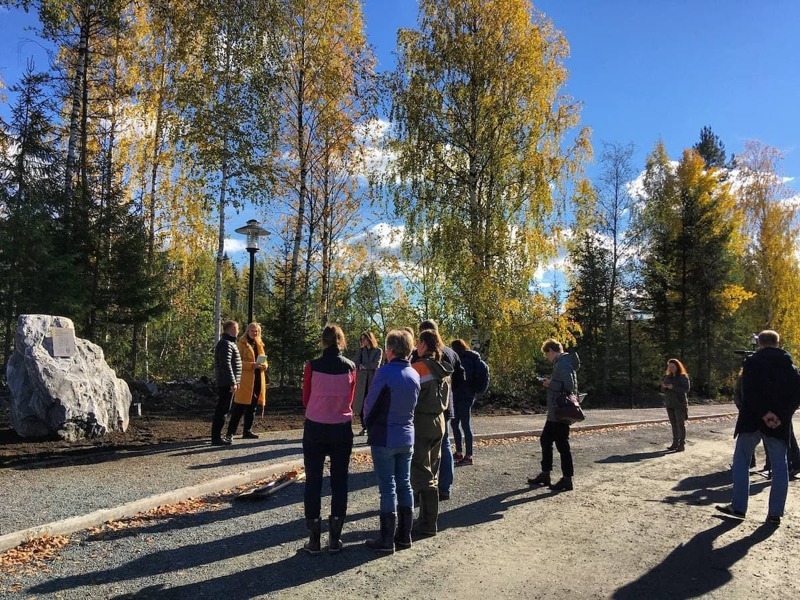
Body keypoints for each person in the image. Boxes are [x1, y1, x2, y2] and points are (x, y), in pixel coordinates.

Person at [717, 330, 800, 525]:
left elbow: (750, 393)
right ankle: (774, 514)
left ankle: (738, 507)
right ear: (778, 343)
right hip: (778, 424)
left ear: (760, 343)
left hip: (752, 420)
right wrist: (781, 415)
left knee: (742, 461)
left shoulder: (752, 363)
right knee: (780, 466)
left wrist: (764, 413)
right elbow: (797, 396)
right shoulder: (791, 368)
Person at [301, 324, 357, 554]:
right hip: (341, 428)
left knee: (313, 481)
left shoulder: (312, 366)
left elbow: (305, 398)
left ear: (323, 342)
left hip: (315, 426)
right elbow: (351, 398)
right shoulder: (351, 367)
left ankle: (314, 539)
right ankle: (335, 538)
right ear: (341, 342)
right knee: (339, 481)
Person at [363, 329, 420, 553]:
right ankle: (404, 535)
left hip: (385, 436)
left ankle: (386, 540)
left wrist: (367, 423)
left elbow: (370, 404)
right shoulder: (414, 374)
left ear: (391, 349)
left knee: (388, 489)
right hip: (407, 436)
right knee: (404, 484)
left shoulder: (385, 373)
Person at [413, 319, 465, 500]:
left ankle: (422, 489)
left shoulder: (417, 358)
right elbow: (460, 378)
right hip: (445, 406)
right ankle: (444, 487)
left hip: (424, 409)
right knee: (443, 446)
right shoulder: (451, 353)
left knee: (422, 452)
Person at [410, 328, 454, 536]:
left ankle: (427, 524)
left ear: (425, 345)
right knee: (433, 469)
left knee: (420, 468)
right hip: (440, 421)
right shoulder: (442, 369)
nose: (416, 346)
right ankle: (428, 520)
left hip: (422, 421)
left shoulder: (418, 367)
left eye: (418, 342)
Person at [528, 338, 580, 492]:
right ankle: (546, 474)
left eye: (546, 354)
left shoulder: (563, 363)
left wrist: (550, 384)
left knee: (562, 445)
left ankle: (567, 479)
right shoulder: (562, 362)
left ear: (551, 350)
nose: (547, 357)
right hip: (556, 412)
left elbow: (569, 386)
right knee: (546, 440)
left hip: (561, 411)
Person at [225, 322, 267, 441]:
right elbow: (237, 362)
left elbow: (264, 360)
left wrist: (264, 366)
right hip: (245, 380)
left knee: (252, 407)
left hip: (258, 379)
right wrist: (252, 365)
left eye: (257, 331)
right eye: (253, 331)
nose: (255, 333)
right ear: (248, 331)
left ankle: (247, 430)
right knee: (239, 407)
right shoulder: (241, 344)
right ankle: (230, 432)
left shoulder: (260, 344)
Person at [211, 320, 242, 446]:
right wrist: (232, 382)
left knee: (224, 409)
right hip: (226, 383)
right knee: (222, 409)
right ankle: (216, 437)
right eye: (236, 329)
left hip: (227, 382)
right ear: (231, 330)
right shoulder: (225, 344)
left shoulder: (229, 343)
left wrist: (235, 381)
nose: (238, 331)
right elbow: (226, 365)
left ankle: (217, 436)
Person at [450, 339, 480, 465]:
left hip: (462, 396)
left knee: (463, 425)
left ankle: (467, 455)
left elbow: (462, 380)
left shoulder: (465, 360)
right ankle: (460, 452)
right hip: (466, 396)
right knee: (458, 424)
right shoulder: (469, 358)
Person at [353, 331, 383, 436]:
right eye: (361, 340)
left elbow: (376, 364)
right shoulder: (361, 351)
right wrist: (359, 351)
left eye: (364, 339)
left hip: (372, 381)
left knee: (371, 403)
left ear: (369, 339)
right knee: (361, 405)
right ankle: (364, 426)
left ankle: (371, 426)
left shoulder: (378, 350)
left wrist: (365, 366)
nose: (363, 341)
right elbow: (356, 363)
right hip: (361, 382)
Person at [661, 359, 690, 452]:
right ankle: (675, 443)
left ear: (677, 366)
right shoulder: (668, 376)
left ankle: (682, 444)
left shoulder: (683, 377)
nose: (671, 368)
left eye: (673, 367)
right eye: (669, 367)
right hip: (670, 403)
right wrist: (664, 387)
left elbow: (686, 389)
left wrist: (673, 387)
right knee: (673, 424)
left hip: (680, 404)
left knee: (680, 424)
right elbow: (662, 389)